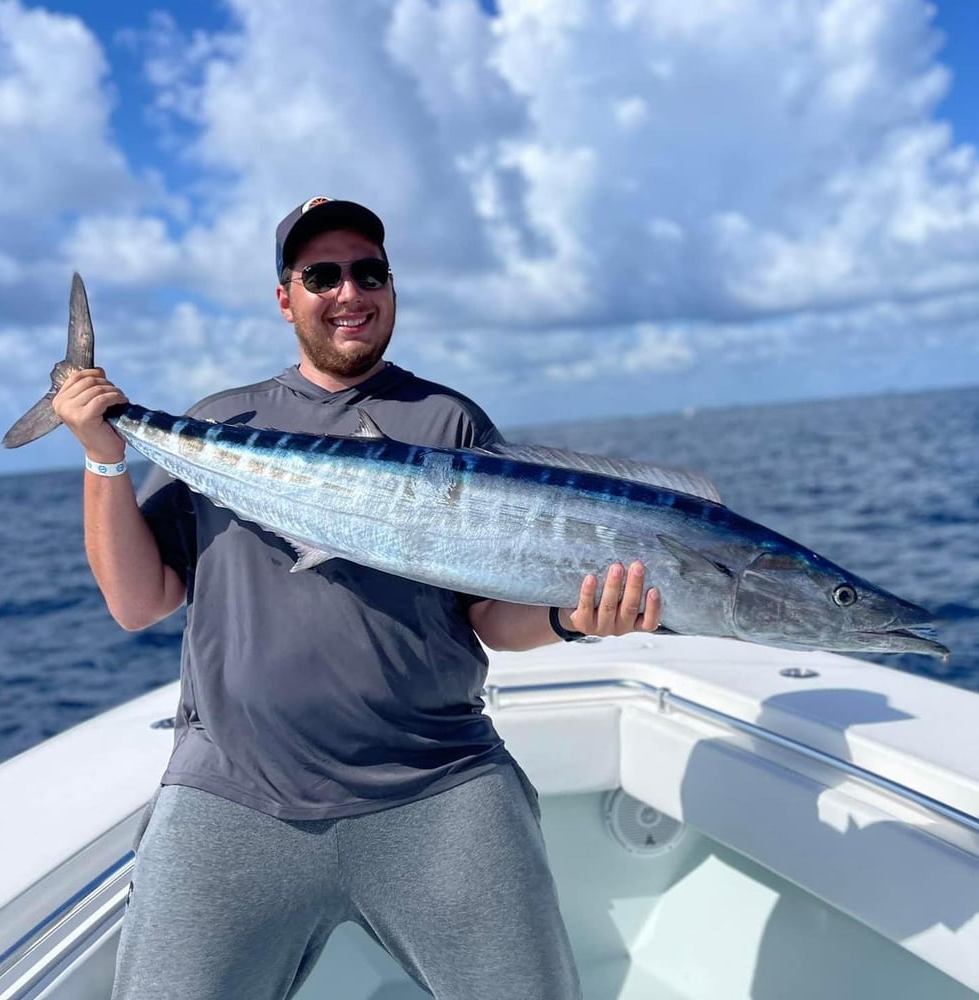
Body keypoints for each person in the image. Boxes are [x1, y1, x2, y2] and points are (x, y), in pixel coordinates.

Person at [52, 196, 662, 1000]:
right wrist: (104, 457)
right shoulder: (219, 420)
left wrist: (568, 618)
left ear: (392, 287)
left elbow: (489, 617)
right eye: (322, 274)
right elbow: (140, 602)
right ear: (286, 297)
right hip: (233, 788)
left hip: (438, 783)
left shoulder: (448, 421)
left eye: (368, 271)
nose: (349, 291)